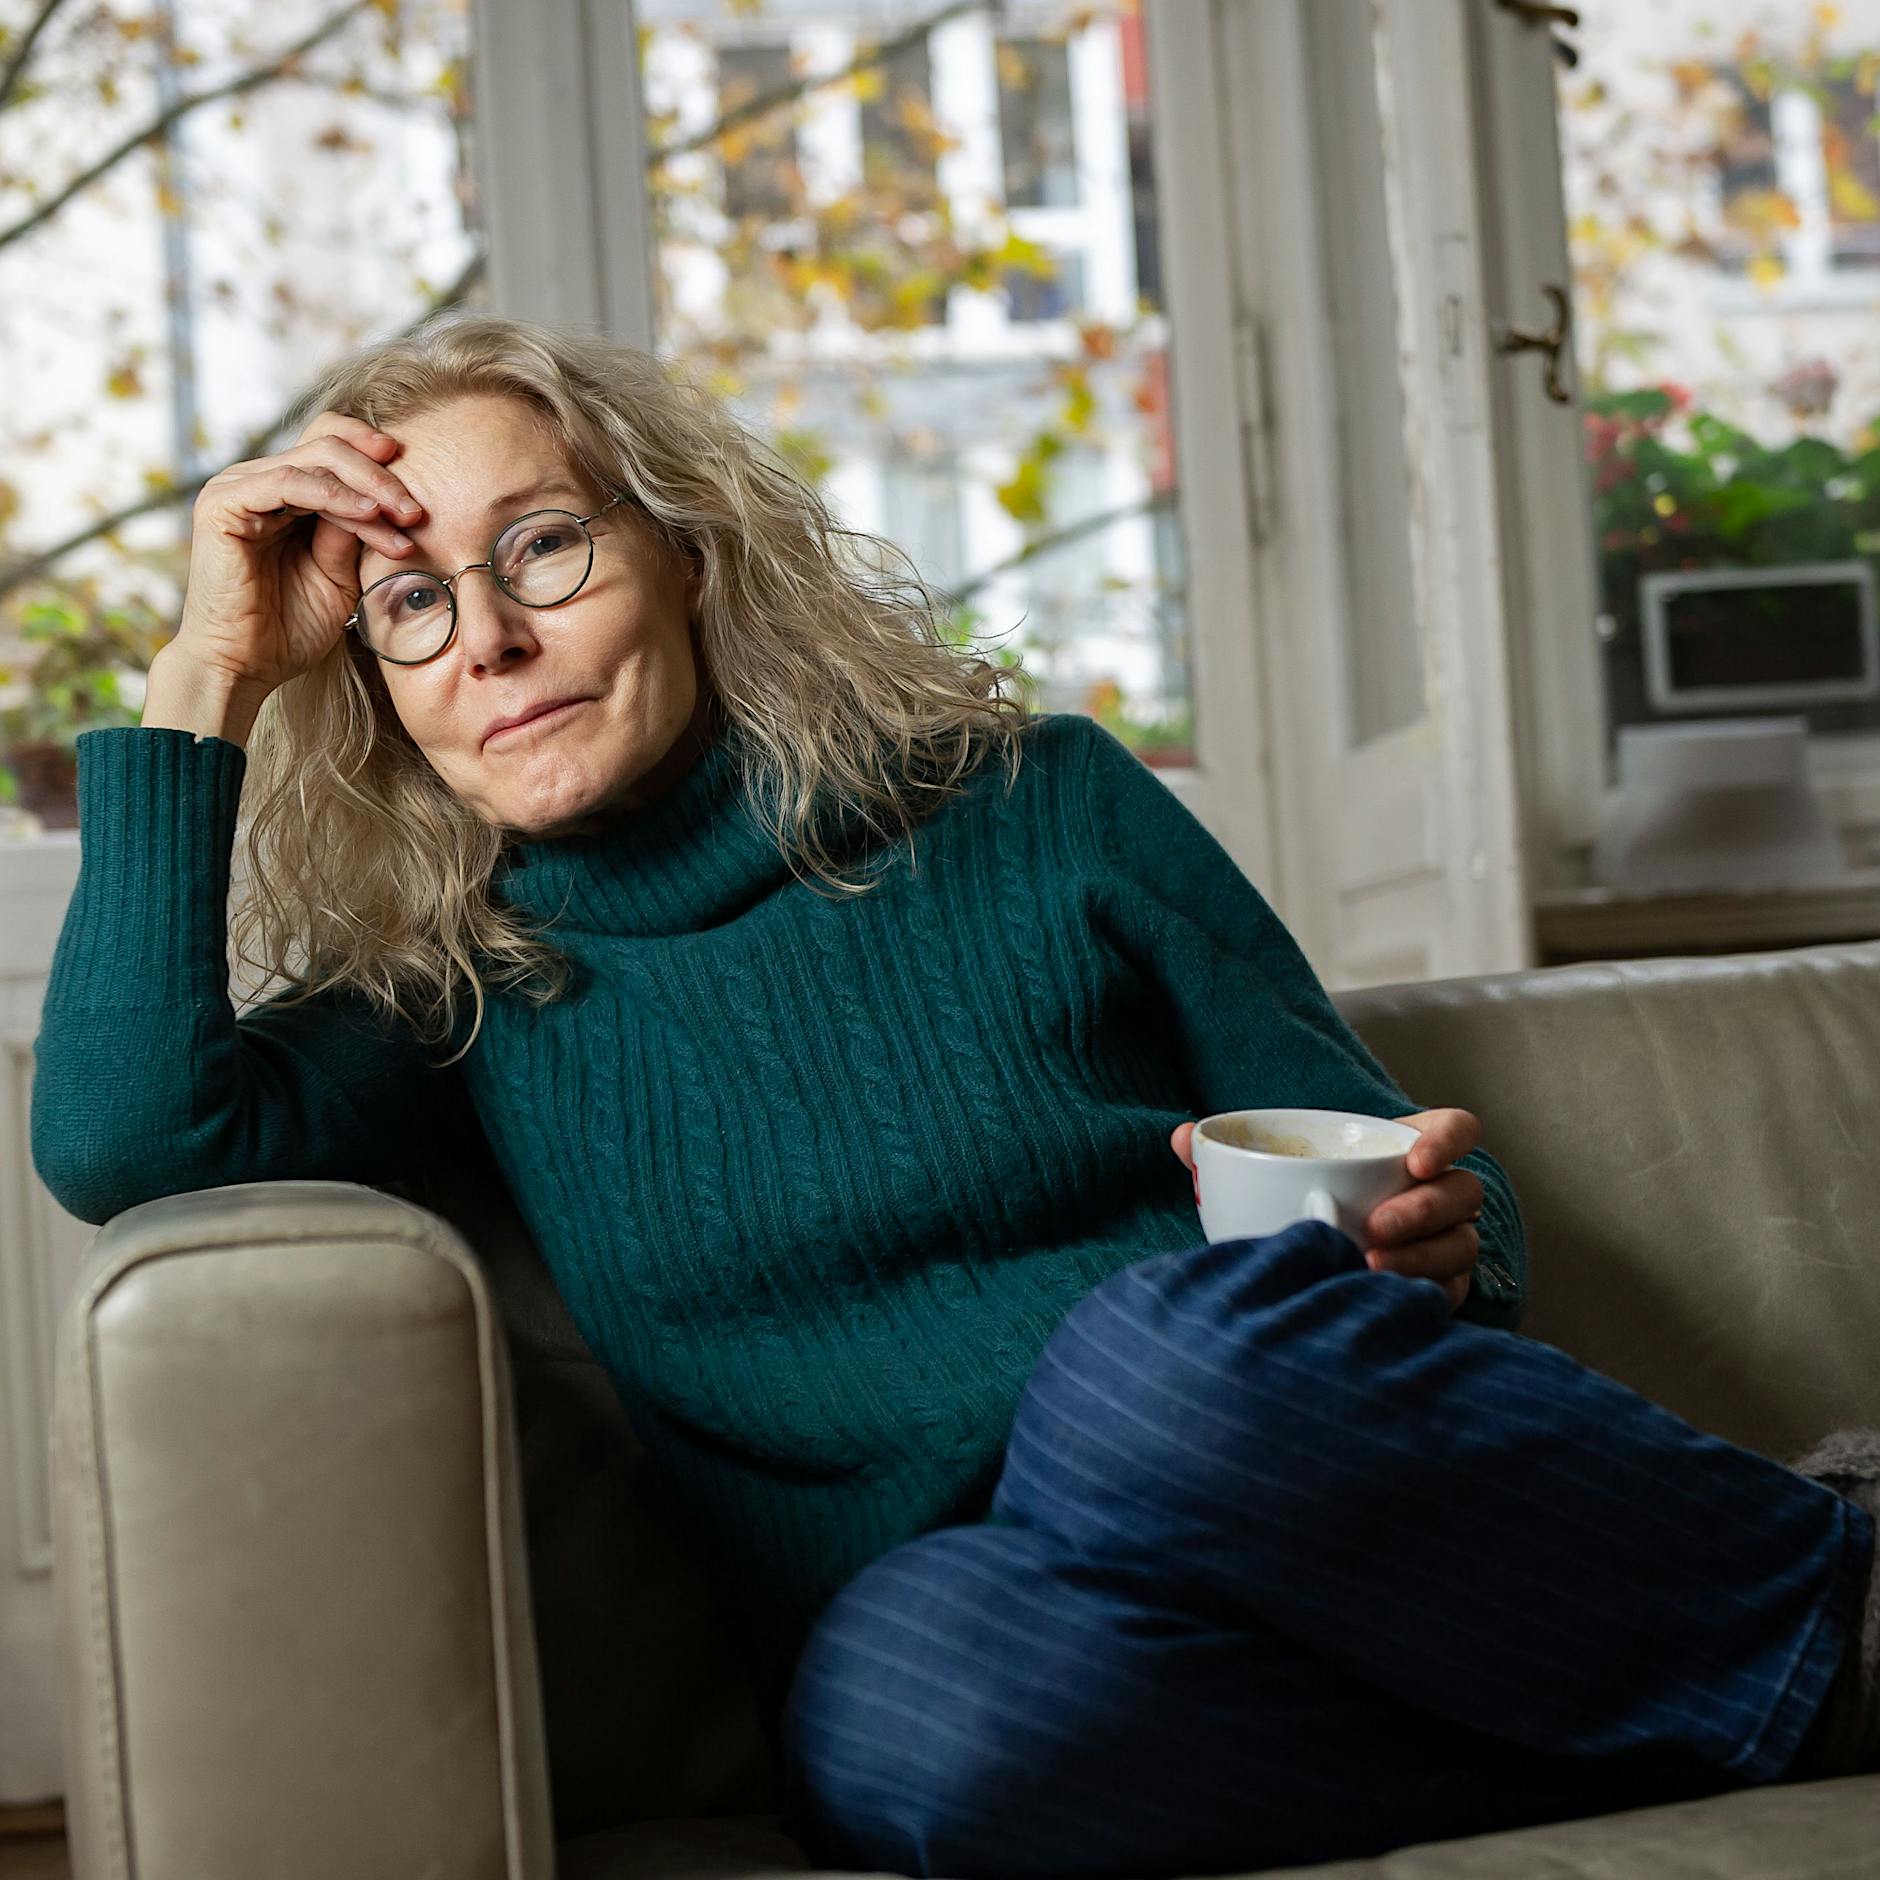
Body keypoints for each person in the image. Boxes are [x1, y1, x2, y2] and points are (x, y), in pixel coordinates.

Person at [30, 314, 1878, 1877]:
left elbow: (1405, 1189)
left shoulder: (1040, 800)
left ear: (687, 549)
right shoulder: (464, 983)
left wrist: (1436, 1239)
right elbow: (130, 1145)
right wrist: (206, 674)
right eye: (411, 606)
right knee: (931, 1721)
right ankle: (1695, 1717)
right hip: (963, 1618)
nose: (490, 642)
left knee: (1150, 1370)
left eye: (541, 551)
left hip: (1244, 1445)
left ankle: (1838, 1613)